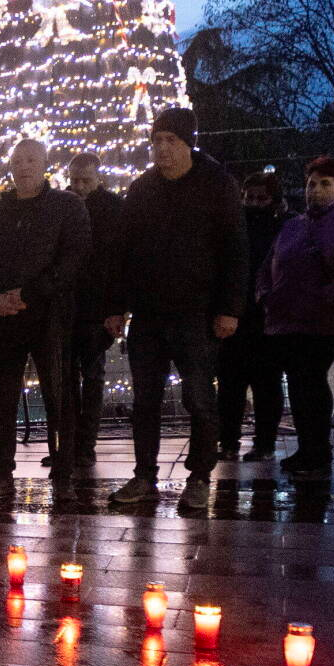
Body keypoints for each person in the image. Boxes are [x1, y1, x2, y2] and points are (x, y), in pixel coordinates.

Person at [104, 108, 247, 507]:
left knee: (199, 398)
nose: (162, 149)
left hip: (197, 313)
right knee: (145, 400)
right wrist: (117, 306)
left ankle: (200, 476)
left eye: (171, 141)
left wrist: (230, 308)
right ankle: (144, 475)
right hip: (149, 314)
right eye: (157, 141)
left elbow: (236, 250)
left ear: (188, 143)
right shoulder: (143, 189)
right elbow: (123, 252)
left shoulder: (216, 186)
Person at [0, 139, 90, 501]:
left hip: (50, 315)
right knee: (0, 396)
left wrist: (31, 293)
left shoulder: (66, 206)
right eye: (18, 160)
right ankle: (1, 470)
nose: (23, 167)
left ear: (45, 163)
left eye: (31, 160)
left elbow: (74, 257)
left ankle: (64, 472)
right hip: (2, 317)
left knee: (60, 394)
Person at [255, 157, 334, 482]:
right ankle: (309, 448)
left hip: (321, 320)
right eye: (311, 184)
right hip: (284, 318)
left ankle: (316, 450)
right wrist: (263, 293)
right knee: (300, 385)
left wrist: (327, 297)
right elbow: (268, 264)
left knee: (310, 381)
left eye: (325, 184)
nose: (315, 190)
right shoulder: (293, 225)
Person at [217, 168, 293, 464]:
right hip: (238, 315)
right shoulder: (234, 225)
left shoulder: (284, 227)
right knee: (230, 385)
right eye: (250, 198)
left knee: (266, 385)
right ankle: (229, 441)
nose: (255, 203)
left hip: (267, 317)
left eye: (261, 198)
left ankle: (264, 442)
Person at [63, 150, 131, 478]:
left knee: (91, 378)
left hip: (96, 309)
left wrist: (114, 308)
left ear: (97, 178)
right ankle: (68, 446)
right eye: (74, 180)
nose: (78, 186)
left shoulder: (113, 209)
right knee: (64, 381)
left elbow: (117, 261)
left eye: (84, 180)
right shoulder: (63, 205)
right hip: (66, 307)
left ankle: (85, 446)